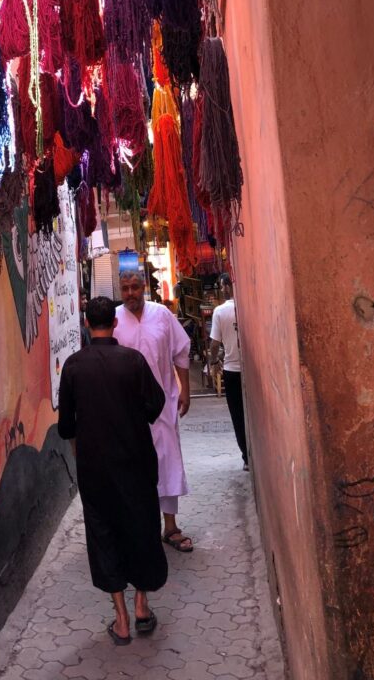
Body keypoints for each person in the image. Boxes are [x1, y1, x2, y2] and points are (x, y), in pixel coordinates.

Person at [58, 296, 168, 645]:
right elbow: (156, 403)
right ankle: (141, 605)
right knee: (141, 527)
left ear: (87, 325)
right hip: (135, 461)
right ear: (115, 323)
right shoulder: (133, 361)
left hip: (96, 467)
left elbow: (65, 426)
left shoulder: (73, 367)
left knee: (104, 534)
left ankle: (120, 619)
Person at [115, 269, 194, 553]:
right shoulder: (114, 320)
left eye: (135, 287)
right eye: (125, 288)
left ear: (144, 287)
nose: (130, 294)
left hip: (162, 405)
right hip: (127, 411)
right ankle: (140, 529)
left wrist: (184, 390)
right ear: (120, 289)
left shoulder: (161, 314)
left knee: (167, 462)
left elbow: (181, 351)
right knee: (133, 467)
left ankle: (170, 526)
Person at [210, 273, 249, 470]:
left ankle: (246, 457)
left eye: (221, 285)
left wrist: (212, 361)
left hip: (232, 370)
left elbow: (215, 343)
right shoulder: (248, 306)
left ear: (226, 286)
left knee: (238, 415)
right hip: (250, 369)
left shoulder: (220, 311)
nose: (221, 289)